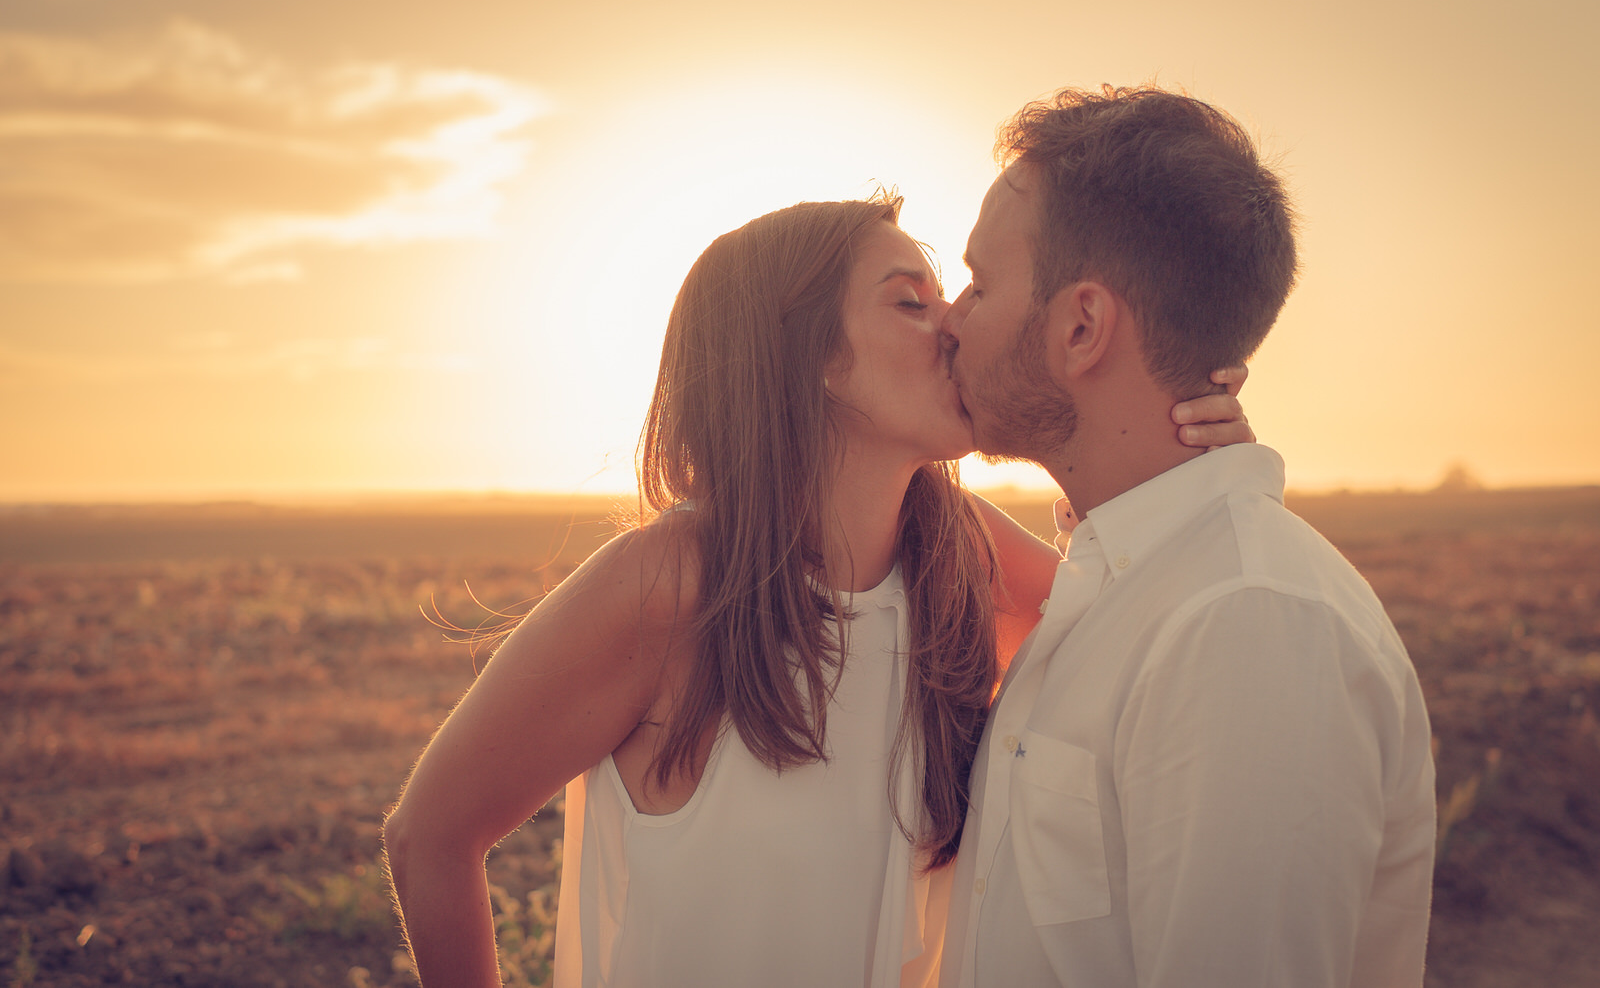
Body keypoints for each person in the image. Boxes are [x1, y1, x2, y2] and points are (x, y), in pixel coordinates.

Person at [382, 193, 1252, 987]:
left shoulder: (960, 552)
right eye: (911, 301)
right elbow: (429, 835)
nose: (954, 324)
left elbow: (1140, 636)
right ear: (810, 358)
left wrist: (1179, 459)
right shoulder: (672, 583)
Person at [937, 84, 1437, 988]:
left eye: (979, 282)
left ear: (1081, 326)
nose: (949, 317)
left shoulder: (1247, 624)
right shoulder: (1119, 585)